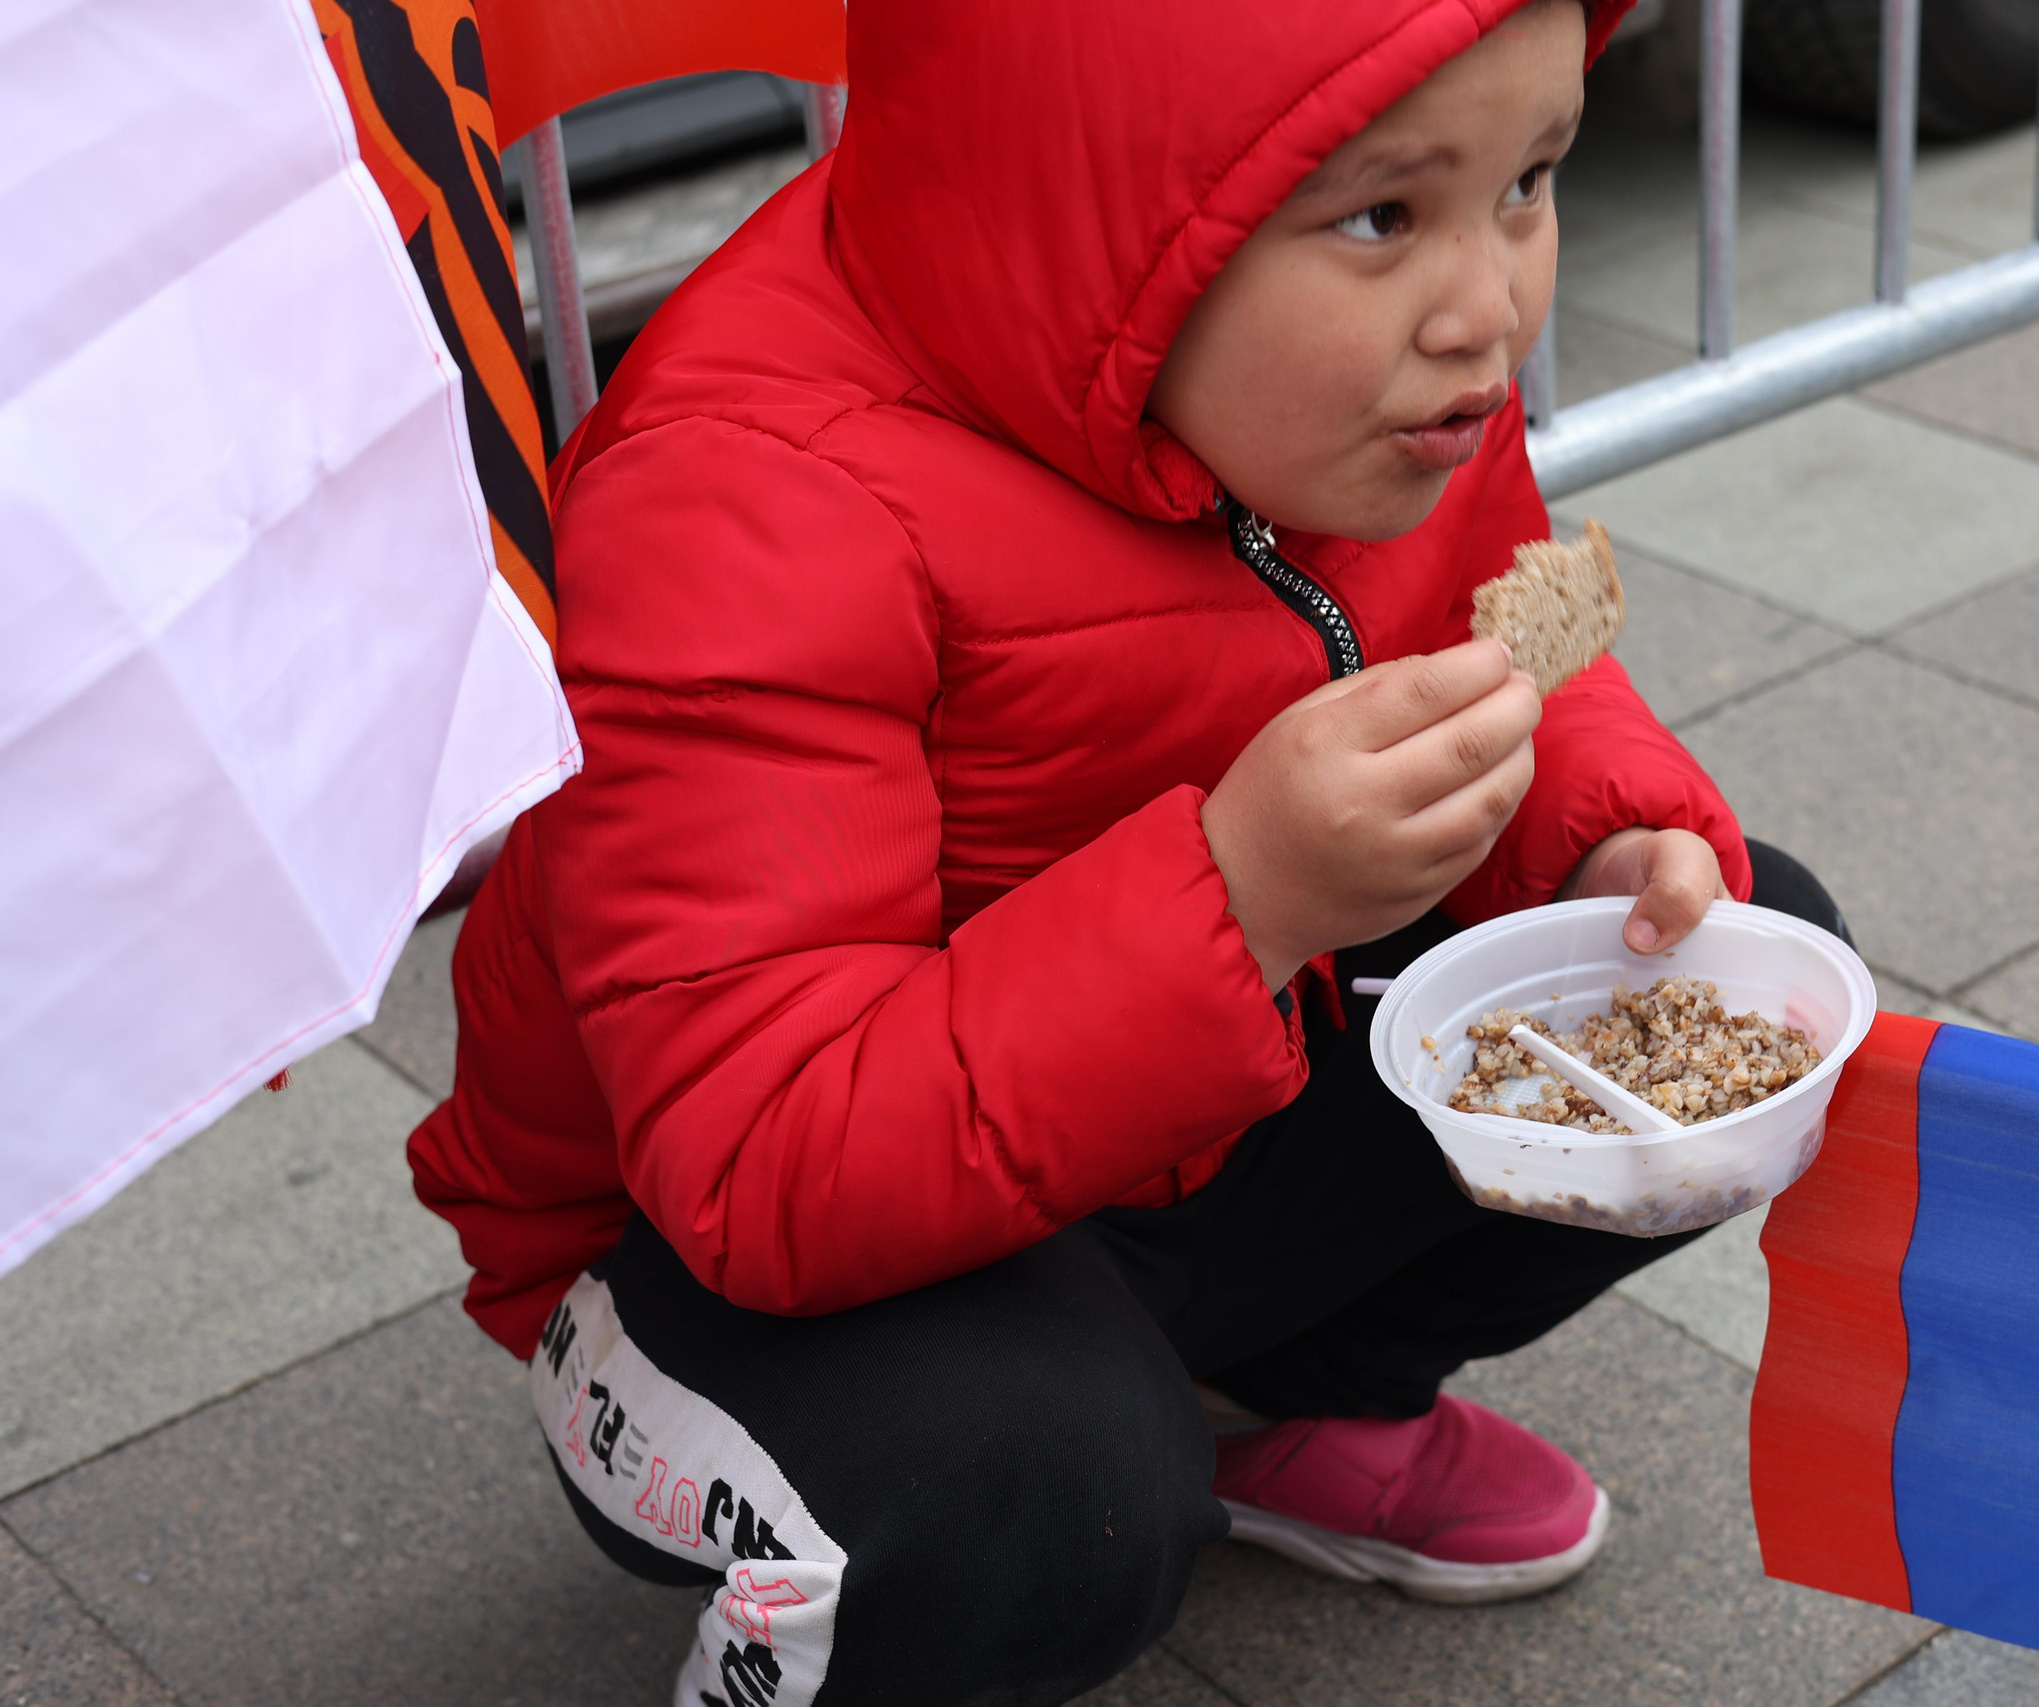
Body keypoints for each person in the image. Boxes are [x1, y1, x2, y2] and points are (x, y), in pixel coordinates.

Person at [408, 1, 1852, 1701]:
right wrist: (1238, 899)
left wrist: (1601, 837)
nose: (1492, 304)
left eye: (1529, 178)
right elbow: (755, 1161)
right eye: (1385, 214)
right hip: (707, 1251)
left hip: (1157, 1117)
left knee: (1720, 984)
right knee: (1033, 1494)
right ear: (1124, 211)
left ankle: (1267, 1408)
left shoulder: (1376, 387)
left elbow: (1492, 638)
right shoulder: (746, 496)